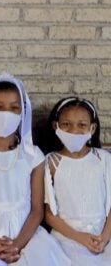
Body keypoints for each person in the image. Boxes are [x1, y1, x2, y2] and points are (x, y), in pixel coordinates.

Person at [0, 72, 70, 266]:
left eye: (14, 108)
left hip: (26, 235)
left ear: (22, 113)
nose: (5, 114)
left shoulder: (32, 156)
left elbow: (37, 211)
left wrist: (17, 244)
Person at [43, 97, 111, 265]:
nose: (74, 131)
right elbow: (50, 214)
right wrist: (80, 237)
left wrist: (104, 237)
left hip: (103, 235)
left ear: (92, 128)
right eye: (66, 124)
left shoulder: (103, 160)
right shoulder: (50, 162)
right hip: (67, 238)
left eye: (82, 125)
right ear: (55, 126)